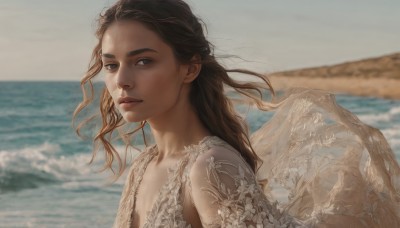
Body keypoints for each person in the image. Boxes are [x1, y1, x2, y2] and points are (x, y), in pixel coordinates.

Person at [73, 0, 400, 227]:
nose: (122, 81)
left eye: (144, 61)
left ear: (189, 69)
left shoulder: (211, 167)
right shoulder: (142, 167)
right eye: (111, 65)